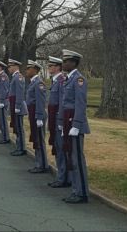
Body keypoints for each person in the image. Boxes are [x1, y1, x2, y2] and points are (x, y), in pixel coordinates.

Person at [61, 49, 89, 204]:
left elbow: (80, 103)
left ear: (73, 62)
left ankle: (82, 192)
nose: (63, 64)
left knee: (77, 159)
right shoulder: (69, 79)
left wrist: (76, 124)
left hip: (74, 122)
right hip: (68, 120)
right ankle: (76, 190)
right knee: (72, 157)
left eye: (66, 61)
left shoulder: (79, 80)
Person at [47, 56, 69, 188]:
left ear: (57, 67)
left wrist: (60, 121)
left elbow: (62, 102)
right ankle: (62, 175)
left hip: (58, 119)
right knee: (58, 147)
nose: (49, 68)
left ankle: (63, 177)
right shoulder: (55, 81)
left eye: (50, 66)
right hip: (54, 118)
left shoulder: (61, 81)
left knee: (61, 148)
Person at [25, 60, 49, 174]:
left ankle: (42, 165)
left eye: (29, 68)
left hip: (37, 114)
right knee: (36, 138)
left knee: (39, 139)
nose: (26, 71)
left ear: (35, 70)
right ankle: (39, 163)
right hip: (33, 113)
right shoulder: (33, 82)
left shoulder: (39, 83)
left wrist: (39, 117)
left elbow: (40, 101)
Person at [8, 59, 27, 156]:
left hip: (18, 106)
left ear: (16, 66)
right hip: (15, 105)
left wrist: (17, 106)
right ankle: (19, 146)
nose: (9, 68)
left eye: (10, 66)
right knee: (17, 127)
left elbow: (20, 93)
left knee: (19, 128)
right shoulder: (14, 77)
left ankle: (22, 148)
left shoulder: (18, 77)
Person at [0, 60, 11, 145]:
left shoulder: (3, 76)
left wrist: (1, 100)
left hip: (3, 101)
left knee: (4, 120)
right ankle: (4, 136)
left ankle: (6, 138)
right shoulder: (0, 76)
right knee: (1, 120)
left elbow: (4, 90)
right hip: (0, 100)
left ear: (0, 67)